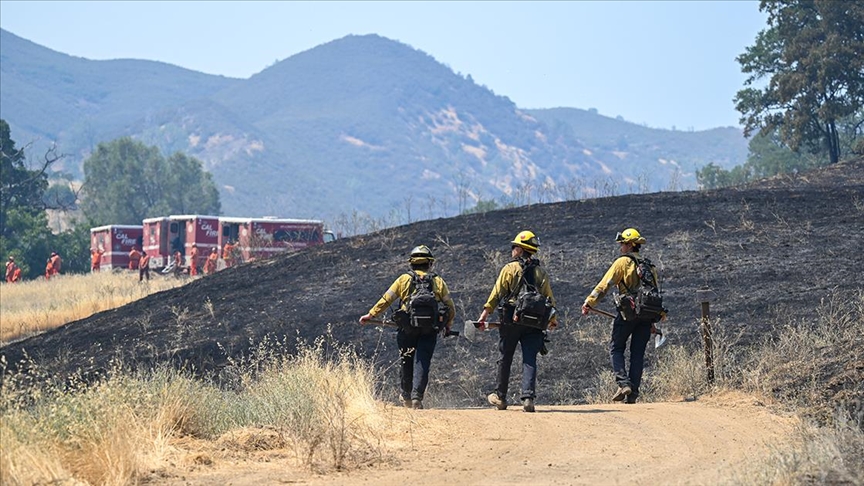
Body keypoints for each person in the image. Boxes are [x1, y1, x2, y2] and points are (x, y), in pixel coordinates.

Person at [359, 245, 456, 410]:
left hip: (407, 328)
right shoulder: (438, 281)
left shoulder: (403, 279)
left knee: (406, 360)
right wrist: (447, 325)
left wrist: (371, 315)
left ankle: (406, 397)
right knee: (423, 361)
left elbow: (386, 299)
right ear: (430, 263)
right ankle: (418, 397)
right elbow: (450, 306)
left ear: (411, 263)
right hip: (430, 329)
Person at [477, 231, 558, 413]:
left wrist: (484, 315)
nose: (512, 250)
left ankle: (500, 397)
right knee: (530, 358)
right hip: (535, 322)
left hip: (510, 318)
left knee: (505, 357)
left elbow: (496, 294)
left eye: (514, 247)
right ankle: (528, 397)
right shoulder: (541, 272)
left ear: (520, 250)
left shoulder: (509, 269)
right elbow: (549, 298)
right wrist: (552, 319)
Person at [581, 228, 659, 405]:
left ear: (630, 245)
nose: (621, 247)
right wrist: (653, 321)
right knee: (637, 354)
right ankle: (633, 394)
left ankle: (623, 383)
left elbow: (604, 285)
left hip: (627, 314)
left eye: (623, 244)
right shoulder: (649, 265)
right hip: (646, 316)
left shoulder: (622, 263)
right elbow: (654, 293)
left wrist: (589, 303)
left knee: (616, 348)